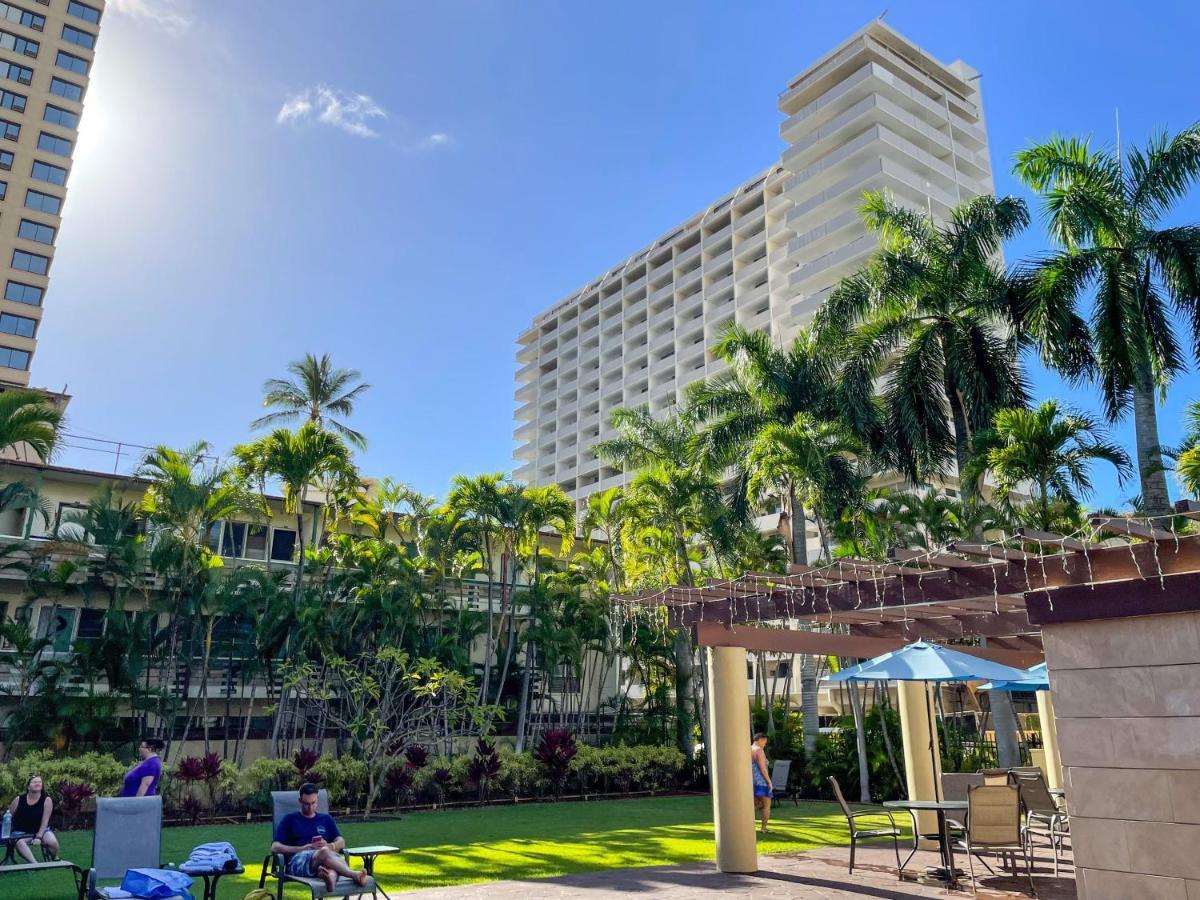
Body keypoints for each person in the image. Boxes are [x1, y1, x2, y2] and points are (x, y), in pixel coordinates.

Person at [271, 783, 369, 892]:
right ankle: (354, 875)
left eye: (313, 803)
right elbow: (275, 847)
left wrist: (330, 845)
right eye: (306, 804)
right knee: (325, 853)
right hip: (298, 861)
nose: (310, 807)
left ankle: (330, 880)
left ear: (317, 800)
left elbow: (341, 842)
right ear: (300, 801)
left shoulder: (326, 819)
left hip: (324, 859)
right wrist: (303, 848)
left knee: (328, 863)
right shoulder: (290, 820)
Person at [8, 775, 59, 863]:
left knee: (53, 843)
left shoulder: (47, 800)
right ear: (28, 786)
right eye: (34, 782)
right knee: (19, 843)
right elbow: (8, 817)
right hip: (21, 832)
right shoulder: (18, 799)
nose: (37, 784)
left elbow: (45, 822)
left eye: (39, 782)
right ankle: (34, 864)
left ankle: (54, 858)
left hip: (41, 830)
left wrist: (39, 837)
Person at [750, 732, 772, 834]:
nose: (765, 744)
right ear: (760, 739)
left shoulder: (749, 749)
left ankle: (747, 826)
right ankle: (763, 828)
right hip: (761, 782)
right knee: (767, 805)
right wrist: (769, 782)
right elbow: (763, 768)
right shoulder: (759, 750)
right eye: (765, 742)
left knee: (755, 805)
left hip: (751, 781)